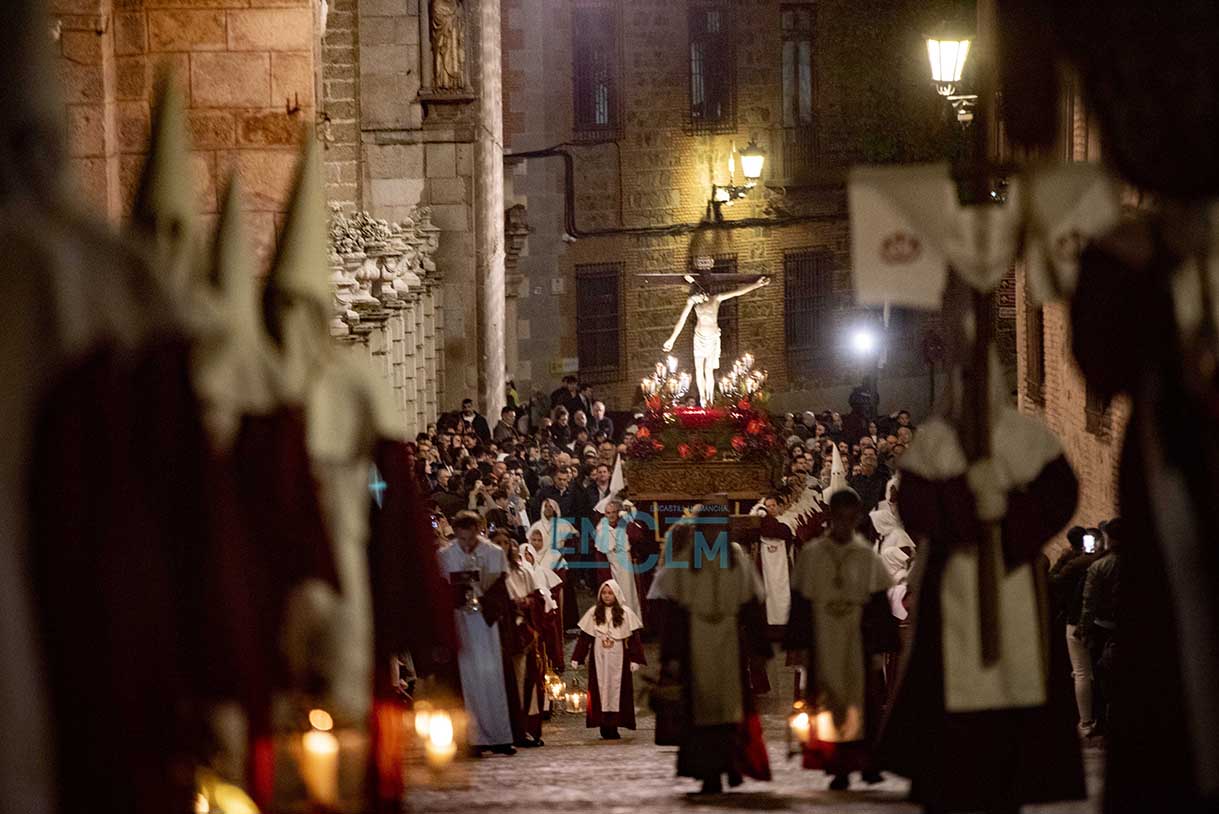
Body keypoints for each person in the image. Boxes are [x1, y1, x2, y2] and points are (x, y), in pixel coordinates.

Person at [655, 503, 772, 794]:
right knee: (702, 712)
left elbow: (751, 607)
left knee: (730, 711)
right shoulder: (685, 563)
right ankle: (709, 772)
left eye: (718, 528)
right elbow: (674, 614)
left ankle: (731, 765)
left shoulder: (737, 561)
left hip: (729, 644)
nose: (713, 533)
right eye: (708, 528)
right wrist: (671, 656)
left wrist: (759, 649)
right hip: (696, 645)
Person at [785, 488, 897, 791]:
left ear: (857, 518)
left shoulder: (866, 556)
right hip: (823, 639)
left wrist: (880, 647)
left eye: (850, 518)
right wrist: (799, 645)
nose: (845, 523)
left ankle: (867, 763)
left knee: (863, 703)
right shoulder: (812, 555)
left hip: (857, 640)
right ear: (831, 517)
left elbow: (878, 605)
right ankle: (838, 766)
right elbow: (801, 604)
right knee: (827, 705)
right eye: (840, 517)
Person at [437, 512, 516, 756]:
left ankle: (500, 736)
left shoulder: (493, 553)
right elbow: (441, 590)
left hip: (486, 621)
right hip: (461, 621)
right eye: (461, 539)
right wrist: (457, 596)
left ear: (478, 531)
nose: (466, 545)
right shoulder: (446, 555)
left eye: (470, 539)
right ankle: (474, 737)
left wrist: (483, 597)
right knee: (468, 679)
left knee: (493, 677)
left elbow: (501, 589)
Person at [570, 579, 646, 740]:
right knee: (600, 690)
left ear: (616, 594)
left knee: (618, 690)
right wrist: (578, 657)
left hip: (619, 659)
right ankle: (603, 724)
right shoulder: (593, 612)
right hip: (599, 659)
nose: (606, 596)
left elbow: (634, 639)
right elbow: (585, 638)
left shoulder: (625, 613)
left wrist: (635, 659)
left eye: (610, 593)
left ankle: (615, 724)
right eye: (604, 593)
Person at [494, 531, 546, 748]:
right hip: (497, 633)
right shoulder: (489, 573)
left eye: (506, 542)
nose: (503, 546)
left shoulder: (523, 572)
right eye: (498, 543)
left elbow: (537, 598)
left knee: (521, 681)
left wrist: (527, 603)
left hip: (520, 634)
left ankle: (521, 729)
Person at [1050, 526, 1099, 735]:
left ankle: (1086, 721)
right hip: (1099, 621)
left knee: (1080, 672)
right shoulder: (1100, 559)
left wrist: (1062, 560)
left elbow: (1053, 581)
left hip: (1075, 619)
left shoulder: (1074, 564)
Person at [1080, 518, 1122, 737]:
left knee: (1098, 676)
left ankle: (1101, 722)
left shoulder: (1099, 566)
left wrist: (1083, 629)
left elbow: (1089, 602)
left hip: (1102, 626)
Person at [594, 500, 644, 622]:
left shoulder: (625, 525)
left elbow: (637, 537)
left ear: (618, 513)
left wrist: (628, 520)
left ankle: (632, 622)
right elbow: (600, 554)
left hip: (626, 567)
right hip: (611, 567)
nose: (611, 515)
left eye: (613, 512)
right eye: (608, 513)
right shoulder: (601, 529)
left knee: (629, 594)